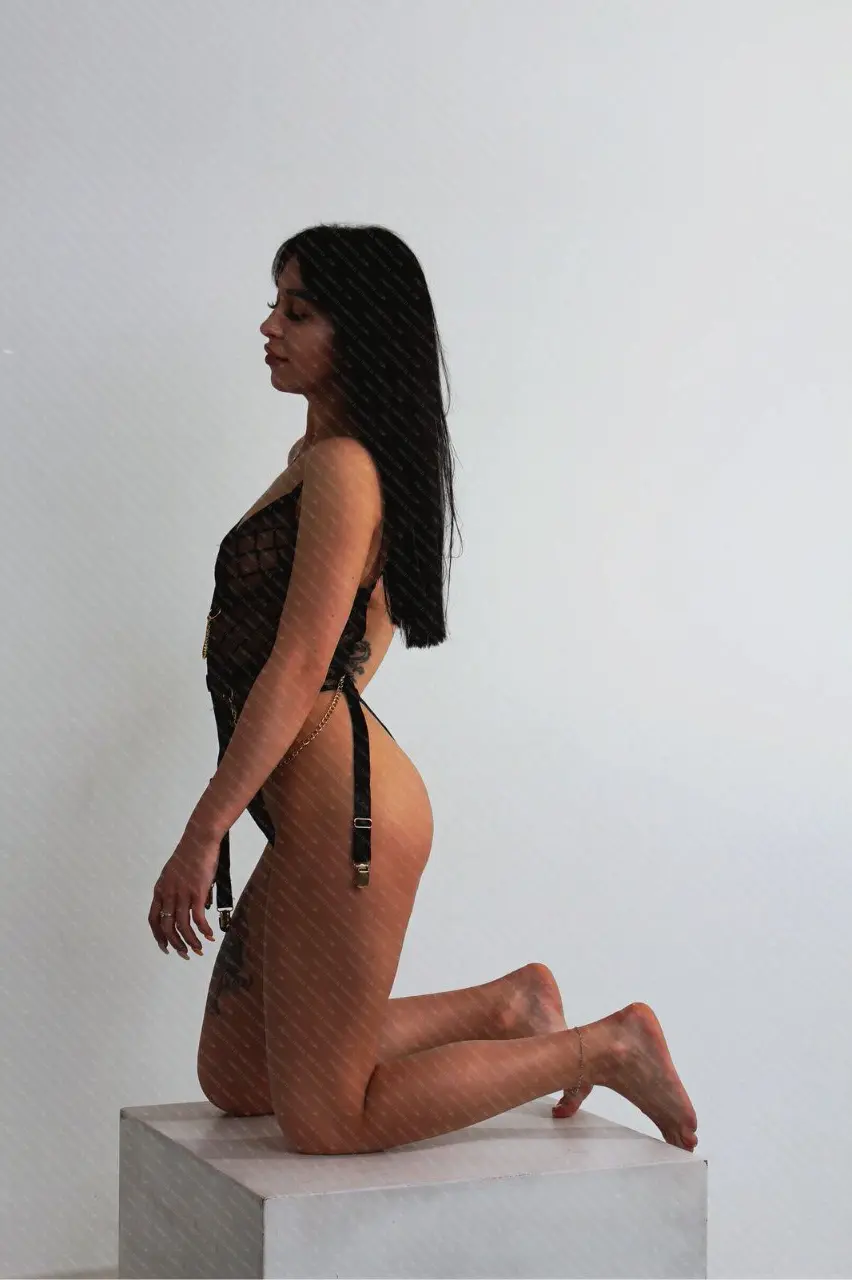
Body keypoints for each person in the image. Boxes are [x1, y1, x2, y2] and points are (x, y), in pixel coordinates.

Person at [147, 223, 698, 1155]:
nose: (270, 327)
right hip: (318, 800)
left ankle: (606, 1047)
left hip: (349, 811)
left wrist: (205, 833)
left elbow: (300, 664)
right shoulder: (323, 460)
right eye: (275, 305)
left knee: (329, 1121)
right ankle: (508, 1005)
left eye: (298, 311)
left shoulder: (343, 469)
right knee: (238, 1075)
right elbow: (362, 636)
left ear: (357, 333)